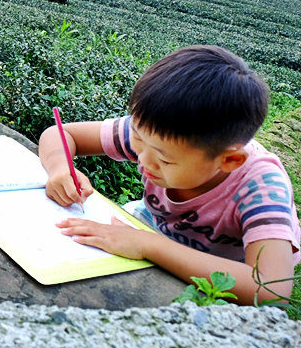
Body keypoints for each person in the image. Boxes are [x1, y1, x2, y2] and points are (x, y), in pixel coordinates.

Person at [39, 45, 300, 304]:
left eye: (165, 160)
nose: (143, 161)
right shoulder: (158, 134)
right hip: (154, 223)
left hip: (225, 267)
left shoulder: (262, 188)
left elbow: (270, 289)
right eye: (138, 141)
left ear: (229, 160)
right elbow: (62, 134)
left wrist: (149, 245)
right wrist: (61, 168)